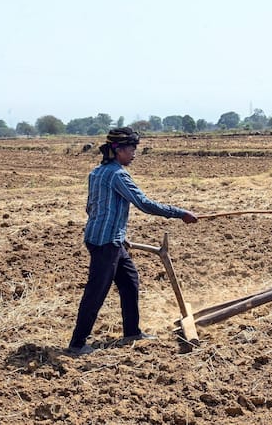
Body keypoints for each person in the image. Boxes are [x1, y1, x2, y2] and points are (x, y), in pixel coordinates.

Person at [67, 127, 198, 355]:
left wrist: (119, 234)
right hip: (106, 243)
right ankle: (77, 344)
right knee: (95, 293)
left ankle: (132, 332)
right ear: (118, 150)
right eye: (131, 148)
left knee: (130, 281)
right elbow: (143, 203)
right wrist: (179, 213)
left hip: (103, 238)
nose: (134, 153)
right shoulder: (118, 175)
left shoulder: (96, 173)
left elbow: (92, 207)